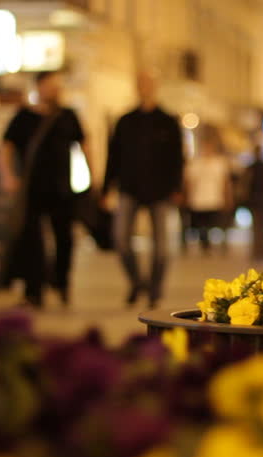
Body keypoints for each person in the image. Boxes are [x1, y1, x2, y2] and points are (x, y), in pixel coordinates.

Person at [0, 70, 91, 308]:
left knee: (64, 238)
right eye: (51, 85)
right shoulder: (24, 117)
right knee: (32, 239)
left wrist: (92, 177)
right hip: (32, 189)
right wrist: (8, 177)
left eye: (58, 86)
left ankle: (61, 283)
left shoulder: (67, 116)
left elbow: (85, 144)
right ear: (39, 87)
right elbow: (5, 148)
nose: (56, 90)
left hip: (62, 188)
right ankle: (33, 290)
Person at [103, 71, 185, 308]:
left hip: (160, 190)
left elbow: (177, 158)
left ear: (155, 86)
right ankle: (137, 282)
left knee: (162, 247)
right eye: (140, 83)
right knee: (120, 239)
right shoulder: (125, 121)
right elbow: (113, 156)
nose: (144, 87)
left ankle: (155, 289)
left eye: (148, 83)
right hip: (129, 187)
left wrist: (177, 187)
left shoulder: (168, 121)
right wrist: (107, 187)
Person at [184, 128, 232, 253]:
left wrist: (227, 197)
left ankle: (220, 243)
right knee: (202, 224)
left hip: (215, 198)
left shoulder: (219, 163)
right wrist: (187, 197)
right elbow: (189, 181)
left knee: (216, 223)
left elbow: (225, 182)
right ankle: (205, 244)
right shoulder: (195, 163)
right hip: (199, 199)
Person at [244, 145, 263, 261]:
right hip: (262, 200)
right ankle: (261, 251)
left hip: (255, 201)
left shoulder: (251, 167)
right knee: (261, 226)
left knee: (256, 226)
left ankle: (257, 251)